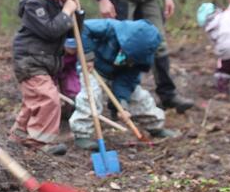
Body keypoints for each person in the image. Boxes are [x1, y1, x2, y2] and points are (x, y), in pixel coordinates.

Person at [9, 0, 82, 156]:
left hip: (46, 61)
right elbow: (50, 30)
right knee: (49, 99)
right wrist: (66, 11)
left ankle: (19, 136)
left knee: (34, 100)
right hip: (29, 60)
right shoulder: (34, 3)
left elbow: (73, 30)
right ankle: (38, 143)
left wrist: (77, 12)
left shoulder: (60, 2)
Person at [70, 19, 177, 150]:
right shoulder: (110, 28)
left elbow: (126, 81)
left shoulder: (141, 59)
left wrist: (122, 104)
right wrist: (88, 57)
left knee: (140, 98)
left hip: (116, 75)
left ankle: (155, 126)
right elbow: (84, 28)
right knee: (91, 95)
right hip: (93, 68)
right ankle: (82, 134)